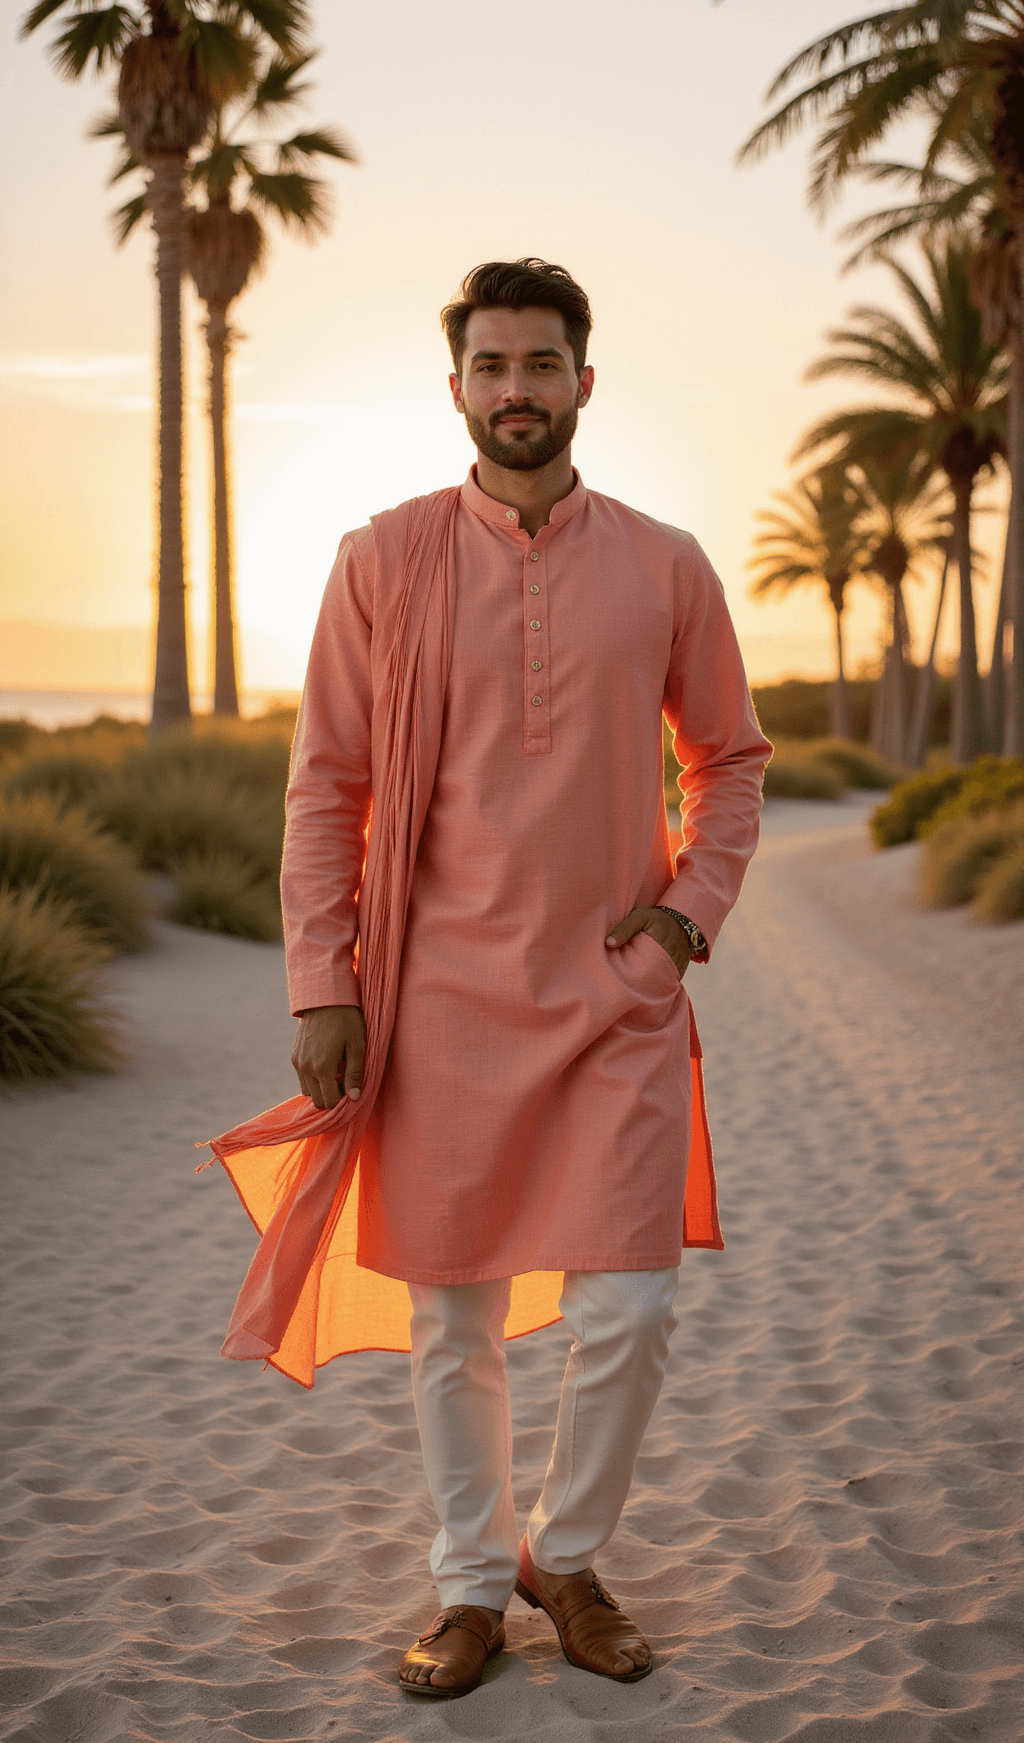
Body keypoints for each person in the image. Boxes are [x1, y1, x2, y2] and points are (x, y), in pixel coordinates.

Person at [282, 257, 772, 1699]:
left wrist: (681, 924)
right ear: (456, 390)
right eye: (491, 367)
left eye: (541, 365)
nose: (516, 391)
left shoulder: (667, 561)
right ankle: (469, 1587)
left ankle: (568, 1558)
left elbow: (730, 763)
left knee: (630, 1308)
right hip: (435, 1000)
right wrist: (327, 978)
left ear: (583, 382)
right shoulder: (381, 559)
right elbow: (328, 788)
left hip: (615, 997)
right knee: (456, 1321)